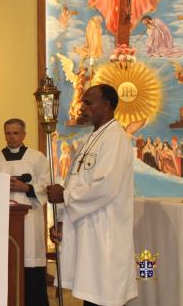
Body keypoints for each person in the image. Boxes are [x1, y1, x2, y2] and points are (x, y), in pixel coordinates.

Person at [47, 84, 137, 306]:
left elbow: (105, 186)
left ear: (106, 106)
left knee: (104, 296)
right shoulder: (92, 138)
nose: (82, 106)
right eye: (82, 102)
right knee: (91, 297)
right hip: (87, 229)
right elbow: (77, 181)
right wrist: (62, 223)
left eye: (88, 102)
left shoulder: (115, 138)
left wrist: (65, 196)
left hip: (104, 231)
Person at [0, 118, 50, 306]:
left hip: (29, 219)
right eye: (8, 133)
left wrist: (26, 187)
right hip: (4, 220)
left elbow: (45, 185)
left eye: (15, 133)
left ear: (24, 134)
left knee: (30, 264)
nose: (11, 137)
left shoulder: (37, 158)